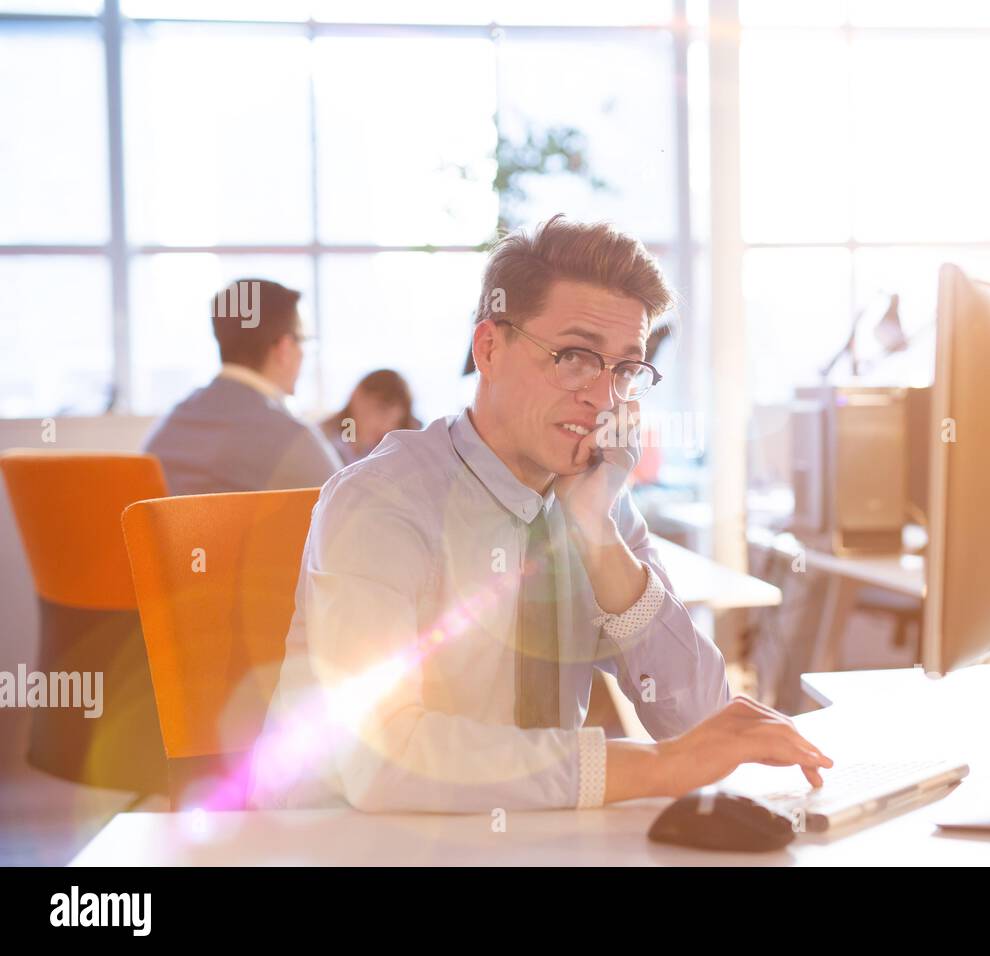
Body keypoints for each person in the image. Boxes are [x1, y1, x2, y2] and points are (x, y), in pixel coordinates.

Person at [248, 216, 832, 813]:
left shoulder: (595, 498)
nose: (604, 398)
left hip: (536, 842)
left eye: (626, 370)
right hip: (344, 846)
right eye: (575, 357)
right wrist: (658, 767)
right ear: (489, 348)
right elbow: (382, 758)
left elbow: (699, 715)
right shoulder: (383, 501)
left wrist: (599, 537)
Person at [143, 278, 342, 495]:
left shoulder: (171, 425)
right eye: (303, 341)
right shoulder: (292, 438)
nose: (304, 353)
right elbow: (349, 510)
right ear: (284, 348)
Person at [320, 369, 422, 466]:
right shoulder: (320, 438)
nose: (386, 427)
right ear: (357, 395)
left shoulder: (388, 454)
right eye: (382, 411)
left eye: (395, 421)